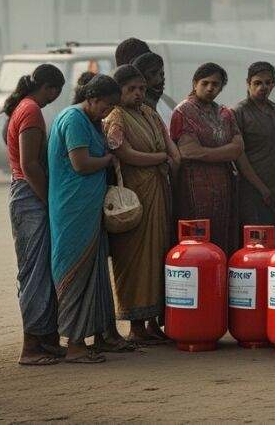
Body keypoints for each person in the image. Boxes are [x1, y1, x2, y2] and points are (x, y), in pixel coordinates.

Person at [49, 73, 137, 363]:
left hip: (89, 208)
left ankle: (102, 335)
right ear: (92, 98)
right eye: (105, 105)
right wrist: (108, 161)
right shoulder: (74, 119)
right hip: (73, 208)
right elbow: (81, 163)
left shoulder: (90, 120)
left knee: (96, 272)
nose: (108, 112)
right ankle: (75, 344)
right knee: (76, 272)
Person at [104, 64, 180, 346]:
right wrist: (161, 158)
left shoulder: (149, 112)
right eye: (131, 89)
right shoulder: (116, 117)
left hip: (158, 191)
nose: (138, 94)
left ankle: (151, 321)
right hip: (134, 197)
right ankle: (136, 324)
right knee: (136, 258)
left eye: (141, 89)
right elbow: (122, 152)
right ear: (118, 92)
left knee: (158, 253)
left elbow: (170, 144)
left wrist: (172, 156)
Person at [2, 63, 66, 366]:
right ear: (50, 89)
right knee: (34, 272)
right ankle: (31, 347)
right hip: (29, 196)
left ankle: (45, 339)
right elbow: (29, 165)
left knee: (40, 270)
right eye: (56, 91)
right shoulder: (30, 111)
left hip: (26, 194)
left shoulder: (23, 107)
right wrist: (49, 201)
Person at [171, 63, 243, 254]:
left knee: (222, 237)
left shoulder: (224, 113)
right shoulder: (183, 111)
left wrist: (206, 152)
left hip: (223, 185)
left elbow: (238, 149)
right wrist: (223, 152)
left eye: (216, 84)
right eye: (205, 83)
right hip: (194, 186)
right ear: (195, 83)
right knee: (198, 241)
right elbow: (189, 152)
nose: (210, 88)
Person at [232, 62, 275, 227]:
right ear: (248, 83)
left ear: (273, 84)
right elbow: (240, 156)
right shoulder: (239, 112)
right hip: (255, 190)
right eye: (258, 83)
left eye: (268, 83)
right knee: (258, 242)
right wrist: (261, 188)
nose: (263, 87)